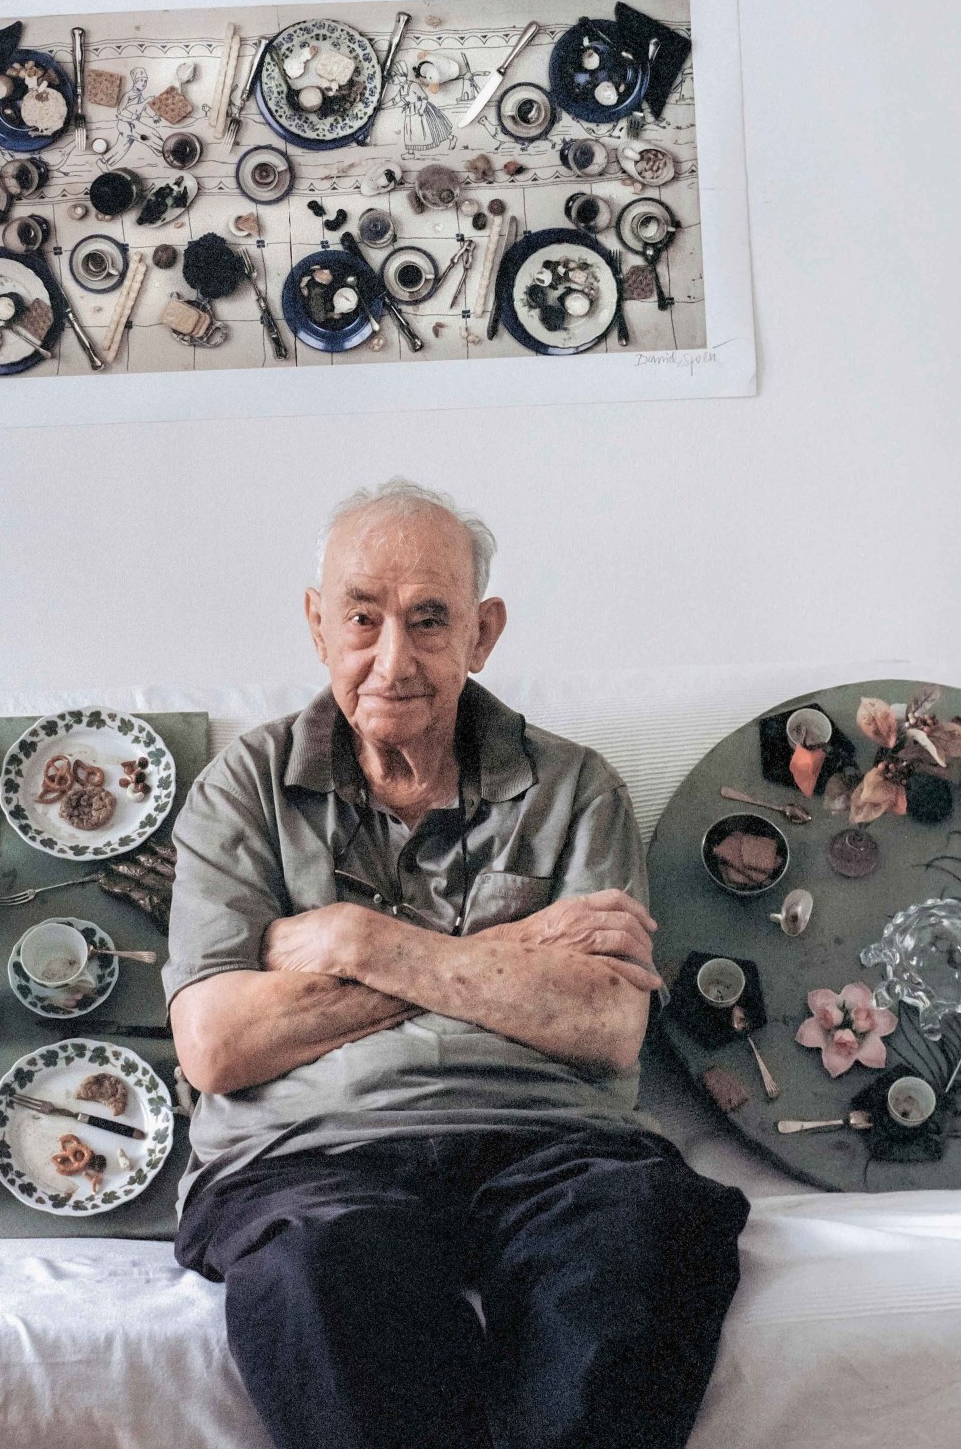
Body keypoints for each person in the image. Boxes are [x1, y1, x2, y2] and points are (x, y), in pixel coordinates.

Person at [166, 481, 749, 1449]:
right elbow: (219, 1046)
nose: (392, 660)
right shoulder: (244, 790)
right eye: (363, 618)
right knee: (318, 1275)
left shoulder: (575, 789)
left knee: (649, 1242)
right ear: (318, 626)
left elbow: (605, 1023)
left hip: (557, 1151)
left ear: (483, 634)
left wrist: (365, 942)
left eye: (429, 621)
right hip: (312, 1160)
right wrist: (510, 959)